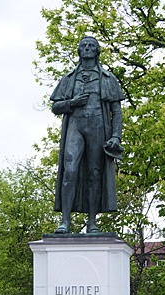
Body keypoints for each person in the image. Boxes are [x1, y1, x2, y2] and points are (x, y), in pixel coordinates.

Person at [51, 36, 124, 234]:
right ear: (79, 51)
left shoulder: (107, 78)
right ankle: (65, 221)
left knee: (94, 174)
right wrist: (72, 103)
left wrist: (116, 136)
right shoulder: (69, 78)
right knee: (70, 170)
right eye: (83, 45)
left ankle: (92, 222)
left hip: (98, 125)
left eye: (91, 45)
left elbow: (116, 112)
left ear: (97, 51)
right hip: (75, 125)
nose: (87, 48)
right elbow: (55, 107)